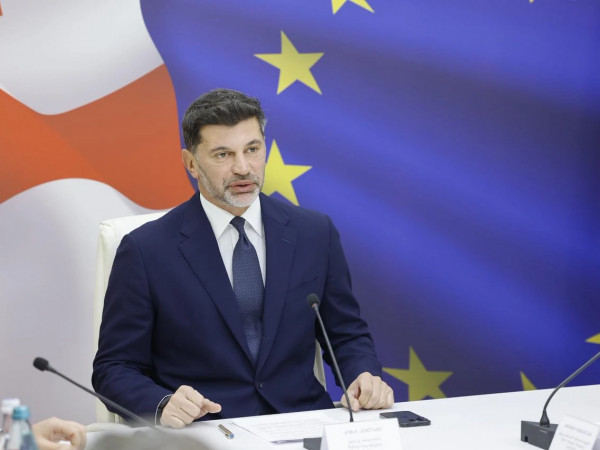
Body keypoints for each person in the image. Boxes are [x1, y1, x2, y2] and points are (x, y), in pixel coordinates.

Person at [92, 88, 393, 429]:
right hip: (204, 431)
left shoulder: (314, 233)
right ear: (191, 163)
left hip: (303, 423)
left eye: (252, 149)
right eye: (223, 155)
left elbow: (346, 334)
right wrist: (162, 404)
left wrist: (363, 376)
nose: (243, 168)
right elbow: (114, 368)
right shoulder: (146, 250)